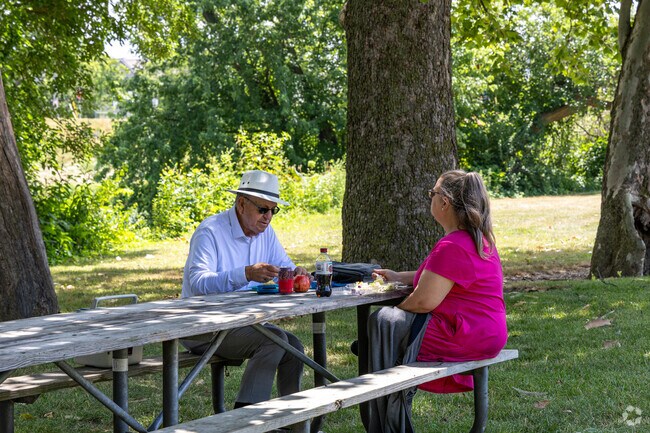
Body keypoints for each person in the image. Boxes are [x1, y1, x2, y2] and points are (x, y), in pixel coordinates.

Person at [365, 170, 508, 433]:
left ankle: (388, 419)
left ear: (444, 202)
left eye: (433, 193)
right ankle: (374, 353)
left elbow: (423, 302)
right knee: (382, 334)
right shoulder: (478, 240)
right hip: (488, 334)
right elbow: (442, 276)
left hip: (463, 335)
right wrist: (399, 277)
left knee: (383, 322)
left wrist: (396, 311)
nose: (430, 198)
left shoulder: (452, 245)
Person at [181, 169, 308, 410]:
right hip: (200, 325)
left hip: (243, 322)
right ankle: (246, 418)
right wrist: (245, 274)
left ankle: (294, 424)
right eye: (263, 209)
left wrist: (298, 273)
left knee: (295, 348)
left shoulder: (266, 233)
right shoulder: (211, 231)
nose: (268, 217)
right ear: (241, 204)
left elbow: (285, 269)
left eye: (273, 210)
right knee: (275, 341)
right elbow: (198, 281)